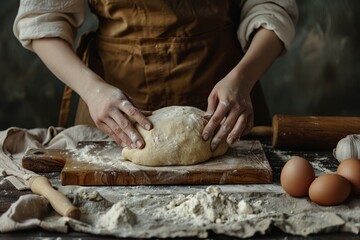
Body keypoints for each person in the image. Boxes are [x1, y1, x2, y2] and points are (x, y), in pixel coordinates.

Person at [14, 0, 298, 151]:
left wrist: (243, 78)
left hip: (226, 94)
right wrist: (92, 90)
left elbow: (271, 8)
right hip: (113, 102)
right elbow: (42, 20)